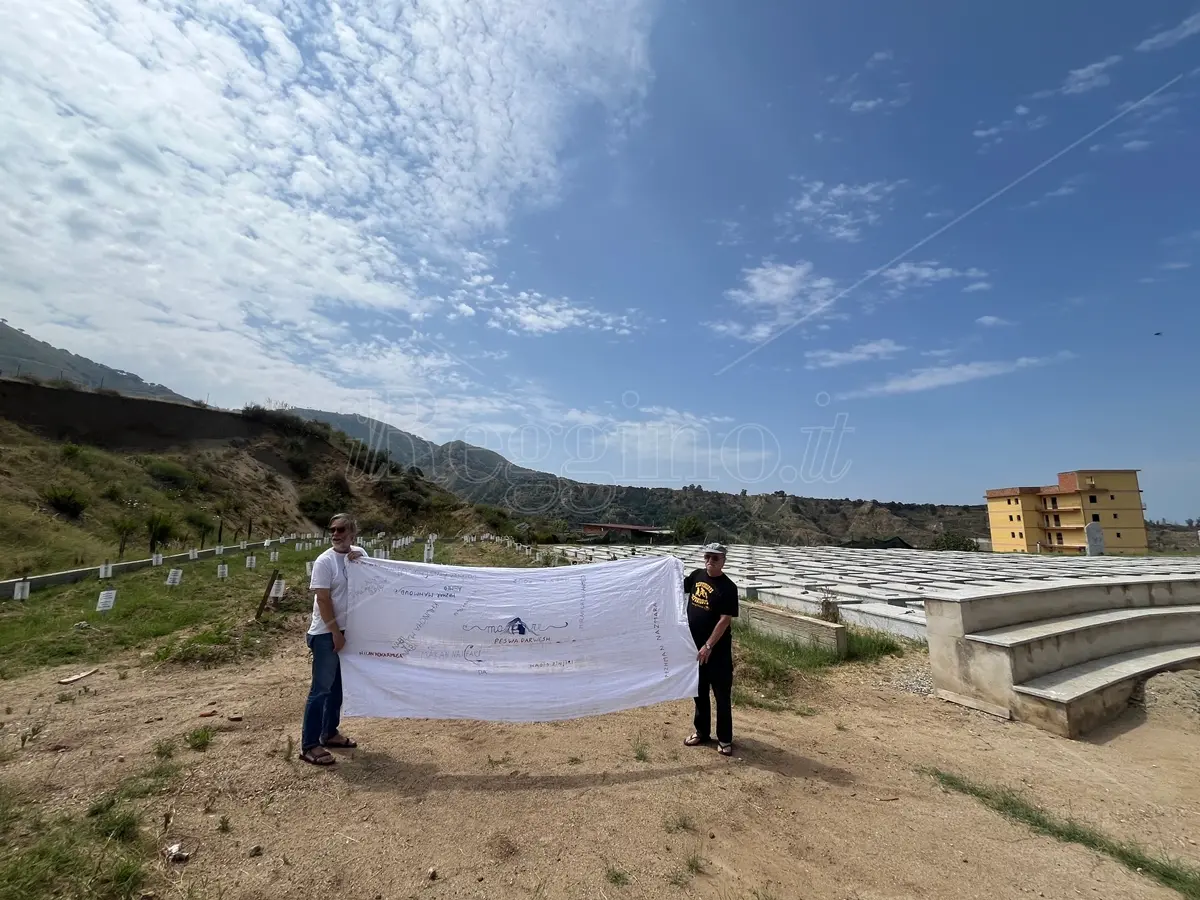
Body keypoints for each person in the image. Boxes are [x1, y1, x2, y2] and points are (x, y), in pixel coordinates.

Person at [299, 512, 367, 766]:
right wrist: (335, 632)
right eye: (333, 530)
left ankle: (329, 733)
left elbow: (370, 580)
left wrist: (361, 562)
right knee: (321, 689)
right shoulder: (324, 562)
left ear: (352, 534)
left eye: (341, 530)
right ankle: (309, 744)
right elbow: (323, 600)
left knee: (337, 687)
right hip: (326, 633)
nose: (335, 534)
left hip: (348, 631)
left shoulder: (359, 554)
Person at [683, 542, 739, 756]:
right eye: (707, 556)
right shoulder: (697, 575)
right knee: (699, 692)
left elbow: (725, 620)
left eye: (715, 558)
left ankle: (725, 739)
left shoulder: (728, 587)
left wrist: (708, 645)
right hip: (694, 650)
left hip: (717, 652)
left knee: (721, 695)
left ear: (723, 561)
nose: (710, 561)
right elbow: (677, 586)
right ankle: (701, 732)